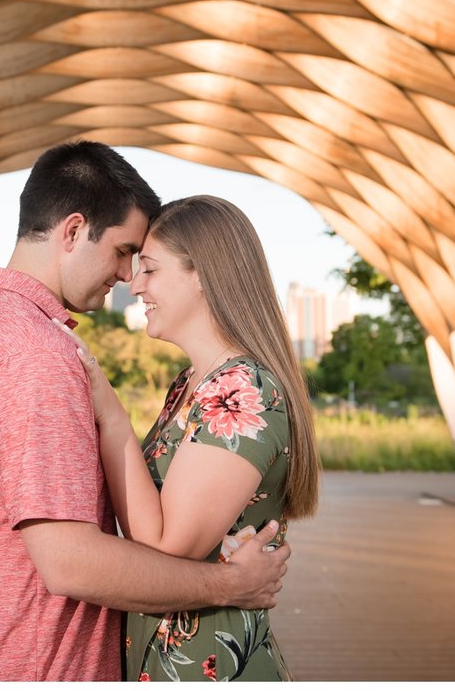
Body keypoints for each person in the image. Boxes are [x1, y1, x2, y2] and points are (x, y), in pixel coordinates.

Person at [0, 141, 291, 681]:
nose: (128, 278)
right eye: (125, 252)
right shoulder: (36, 351)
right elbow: (69, 560)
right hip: (41, 668)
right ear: (73, 232)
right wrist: (231, 584)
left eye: (145, 264)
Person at [83, 195, 316, 681]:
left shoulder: (242, 389)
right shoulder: (192, 386)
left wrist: (113, 417)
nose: (134, 283)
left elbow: (169, 547)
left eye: (150, 269)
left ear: (203, 275)